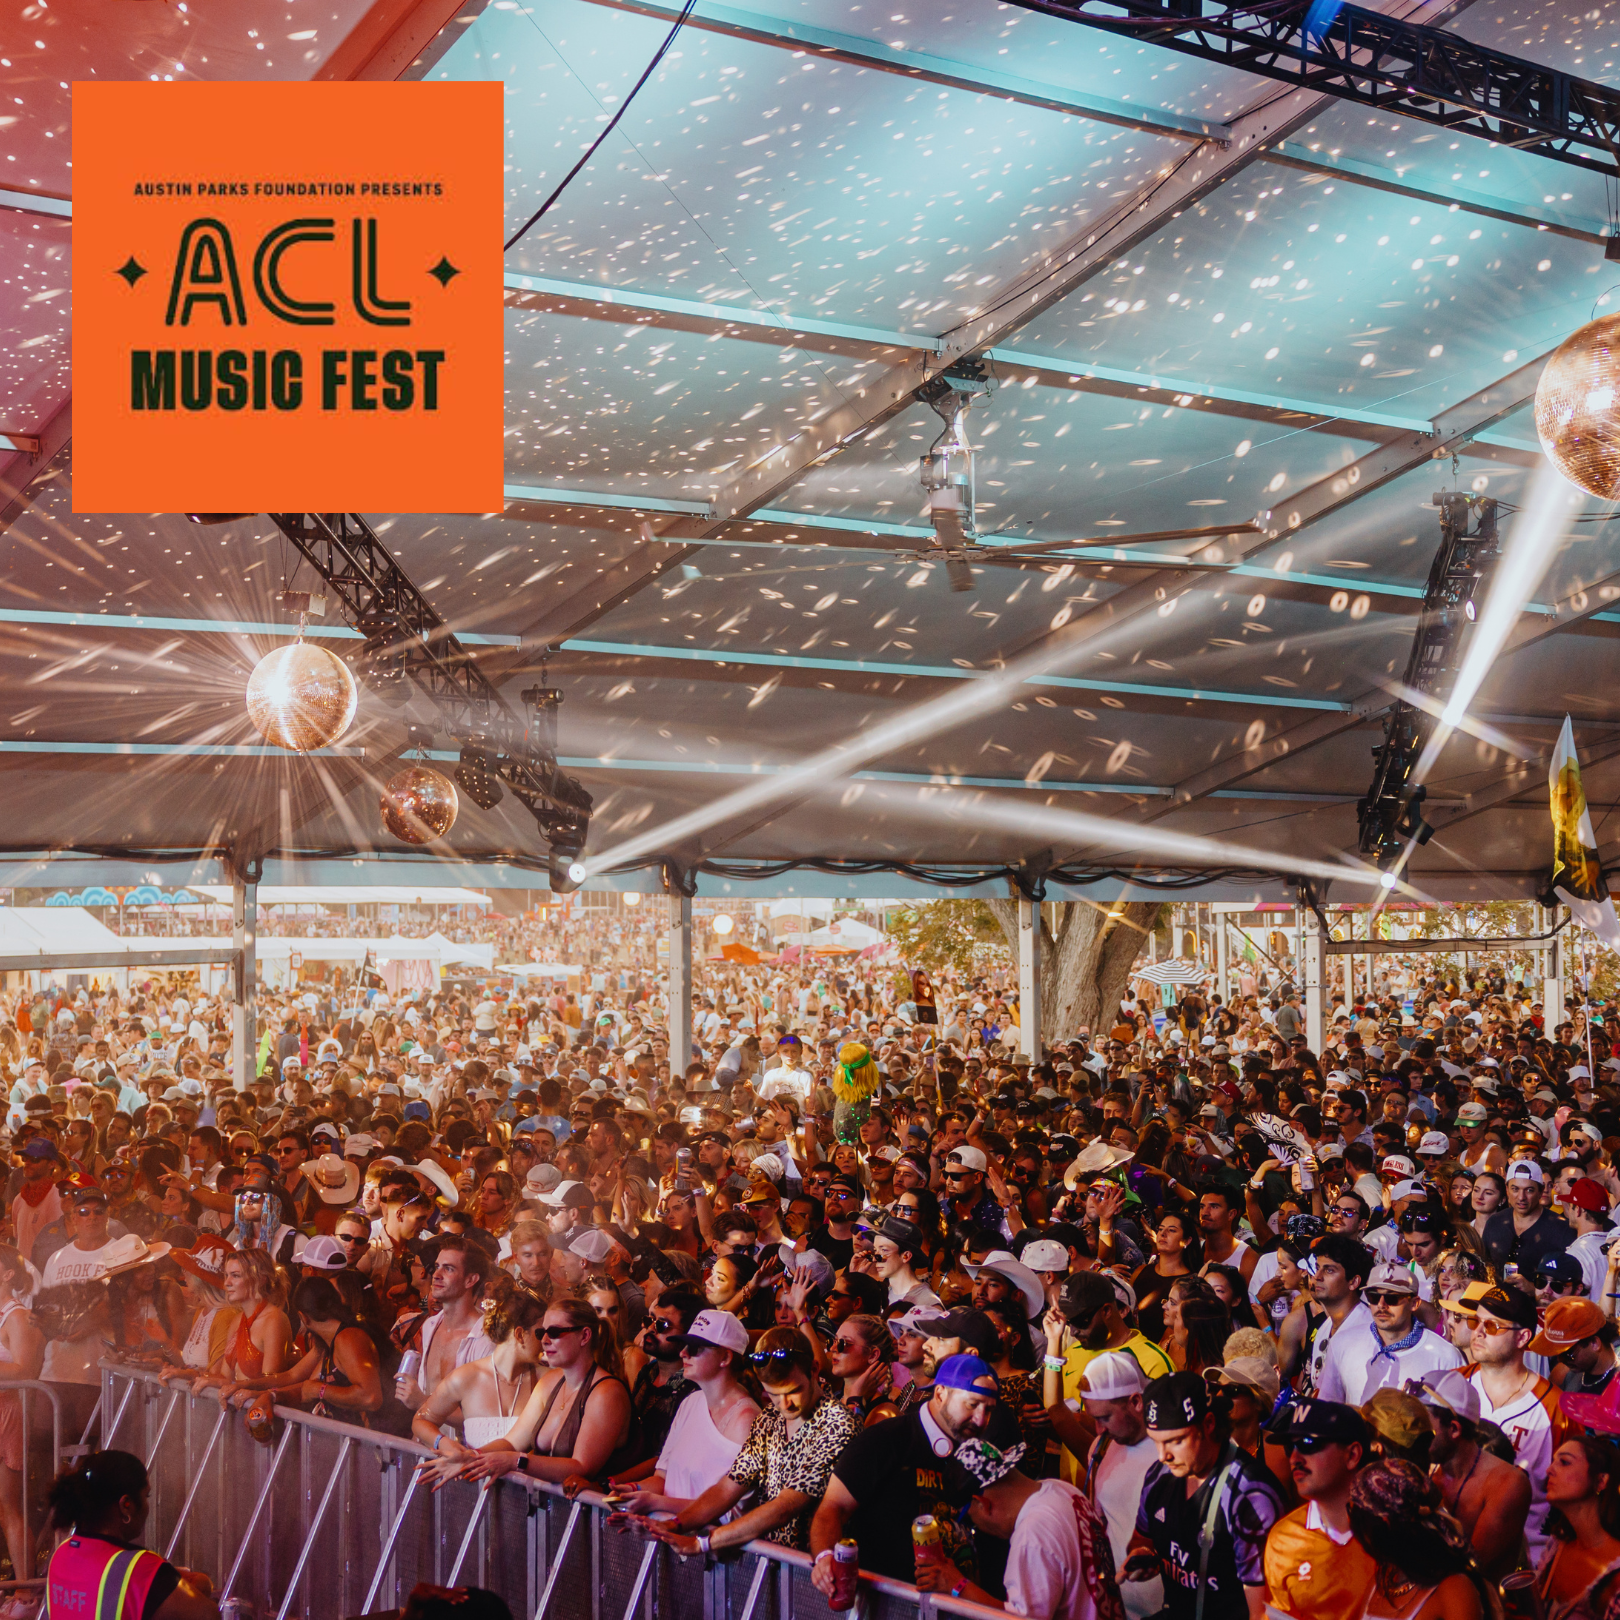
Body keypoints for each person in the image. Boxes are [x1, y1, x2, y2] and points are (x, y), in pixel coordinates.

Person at [644, 1326, 856, 1555]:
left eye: (793, 1391)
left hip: (817, 1567)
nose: (785, 1406)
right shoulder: (769, 1419)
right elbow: (728, 1487)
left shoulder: (836, 1424)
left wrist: (704, 1542)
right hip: (772, 1563)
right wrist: (675, 1524)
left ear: (814, 1370)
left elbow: (786, 1506)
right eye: (774, 1395)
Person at [1127, 1371, 1285, 1620]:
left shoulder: (1250, 1495)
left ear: (1209, 1424)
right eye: (1156, 1442)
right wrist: (1143, 1555)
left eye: (1175, 1441)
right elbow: (1141, 1540)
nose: (1162, 1456)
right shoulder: (1159, 1475)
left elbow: (1263, 1611)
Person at [914, 1436, 1124, 1620]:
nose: (977, 1526)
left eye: (971, 1519)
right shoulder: (1063, 1490)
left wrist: (956, 1584)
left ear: (982, 1504)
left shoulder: (1032, 1534)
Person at [458, 1298, 633, 1485]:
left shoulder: (607, 1392)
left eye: (555, 1332)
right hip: (546, 1509)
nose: (544, 1340)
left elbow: (582, 1467)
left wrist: (515, 1461)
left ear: (585, 1336)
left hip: (589, 1511)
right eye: (542, 1332)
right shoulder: (550, 1381)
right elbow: (512, 1442)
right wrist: (469, 1457)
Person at [602, 1309, 758, 1513]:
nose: (683, 1352)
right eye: (685, 1345)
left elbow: (730, 1513)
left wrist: (656, 1503)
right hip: (668, 1535)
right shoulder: (691, 1402)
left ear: (725, 1358)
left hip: (703, 1541)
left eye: (695, 1347)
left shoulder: (746, 1421)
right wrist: (632, 1489)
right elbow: (662, 1479)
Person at [1463, 1283, 1572, 1565]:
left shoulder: (1556, 1409)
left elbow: (1571, 1497)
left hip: (1525, 1564)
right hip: (1451, 1555)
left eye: (1493, 1325)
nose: (1479, 1331)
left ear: (1523, 1336)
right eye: (1475, 1321)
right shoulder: (1449, 1385)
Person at [42, 1450, 218, 1620]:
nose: (147, 1506)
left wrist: (165, 1579)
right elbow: (210, 1616)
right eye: (146, 1495)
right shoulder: (140, 1568)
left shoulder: (61, 1554)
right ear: (126, 1505)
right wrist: (168, 1578)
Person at [1411, 1366, 1530, 1581]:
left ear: (1454, 1429)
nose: (1412, 1431)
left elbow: (1471, 1568)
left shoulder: (1507, 1483)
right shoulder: (1427, 1468)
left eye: (1421, 1423)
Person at [1261, 1399, 1377, 1620]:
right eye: (1289, 1447)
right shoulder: (1283, 1539)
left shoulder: (1397, 1530)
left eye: (1307, 1443)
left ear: (1352, 1455)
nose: (1294, 1458)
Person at [219, 1276, 384, 1424]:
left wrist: (320, 1390)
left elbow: (370, 1397)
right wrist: (259, 1391)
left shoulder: (348, 1338)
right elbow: (295, 1379)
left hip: (374, 1449)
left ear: (303, 1317)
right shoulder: (328, 1341)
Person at [413, 1288, 546, 1472]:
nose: (547, 1340)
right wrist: (443, 1443)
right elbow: (421, 1420)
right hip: (473, 1487)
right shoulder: (467, 1377)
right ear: (519, 1334)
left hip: (530, 1492)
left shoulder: (546, 1380)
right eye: (541, 1333)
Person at [1346, 1457, 1493, 1619]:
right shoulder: (1382, 1580)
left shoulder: (1453, 1590)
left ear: (1384, 1523)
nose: (1350, 1521)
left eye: (1353, 1511)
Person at [1077, 1351, 1163, 1620]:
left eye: (1105, 1417)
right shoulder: (1101, 1448)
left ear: (1136, 1401)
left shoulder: (1173, 1449)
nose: (1098, 1429)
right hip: (1121, 1608)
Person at [1316, 1261, 1462, 1405]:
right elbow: (1326, 1408)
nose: (1381, 1305)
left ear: (1414, 1303)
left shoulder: (1445, 1356)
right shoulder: (1342, 1343)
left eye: (1392, 1298)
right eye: (1373, 1296)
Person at [1537, 1435, 1620, 1618]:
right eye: (1553, 1461)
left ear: (1601, 1481)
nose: (1549, 1470)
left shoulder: (1616, 1575)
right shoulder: (1557, 1545)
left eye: (1564, 1462)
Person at [0, 1242, 43, 1579]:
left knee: (9, 1505)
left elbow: (26, 1368)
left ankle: (26, 1589)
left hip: (9, 1411)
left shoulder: (17, 1315)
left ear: (7, 1273)